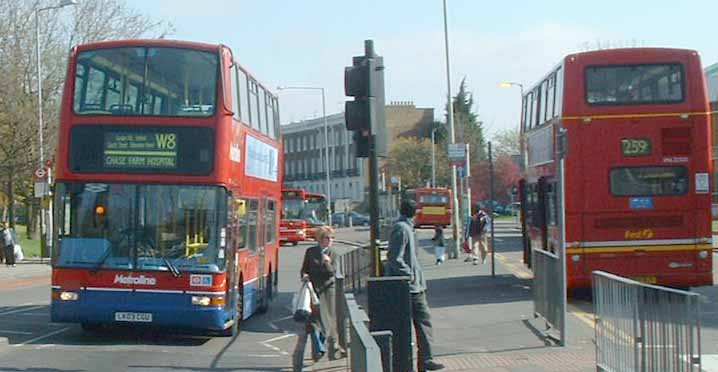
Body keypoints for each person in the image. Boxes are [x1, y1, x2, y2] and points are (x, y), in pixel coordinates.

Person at [386, 199, 445, 372]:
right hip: (409, 288)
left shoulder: (406, 228)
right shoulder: (402, 229)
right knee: (421, 322)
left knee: (421, 323)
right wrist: (410, 275)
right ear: (415, 212)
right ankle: (425, 360)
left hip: (414, 286)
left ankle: (425, 361)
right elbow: (394, 258)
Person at [292, 226, 344, 371]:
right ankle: (318, 349)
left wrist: (326, 262)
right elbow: (304, 269)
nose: (330, 241)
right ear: (320, 239)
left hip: (328, 291)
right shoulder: (311, 252)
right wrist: (304, 276)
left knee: (326, 321)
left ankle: (321, 348)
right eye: (327, 238)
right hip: (313, 290)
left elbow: (332, 273)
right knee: (314, 322)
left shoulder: (334, 254)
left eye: (332, 238)